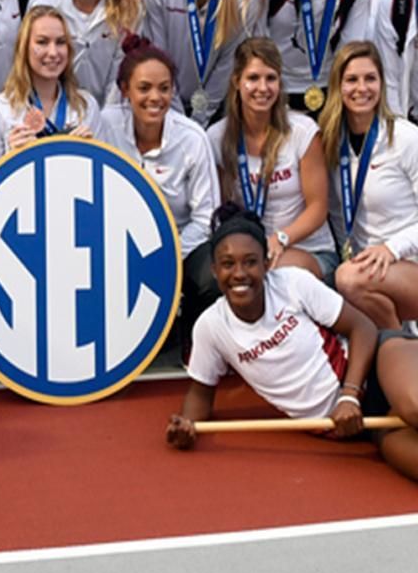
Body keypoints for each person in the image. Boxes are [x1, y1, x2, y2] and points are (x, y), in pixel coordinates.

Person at [167, 206, 418, 483]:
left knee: (414, 406)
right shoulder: (211, 326)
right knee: (403, 454)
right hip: (359, 423)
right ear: (215, 271)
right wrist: (187, 425)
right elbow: (201, 394)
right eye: (228, 264)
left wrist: (349, 395)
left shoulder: (293, 283)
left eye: (250, 262)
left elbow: (363, 327)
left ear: (266, 263)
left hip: (376, 367)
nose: (239, 273)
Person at [97, 37, 222, 341]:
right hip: (114, 246)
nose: (155, 97)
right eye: (144, 88)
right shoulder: (104, 126)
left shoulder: (192, 138)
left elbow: (207, 218)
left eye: (164, 88)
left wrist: (165, 252)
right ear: (125, 90)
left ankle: (193, 344)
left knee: (211, 274)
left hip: (177, 246)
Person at [207, 38, 337, 280]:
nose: (263, 88)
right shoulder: (216, 137)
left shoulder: (302, 131)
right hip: (249, 253)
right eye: (253, 78)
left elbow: (318, 208)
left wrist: (280, 238)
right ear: (237, 81)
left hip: (307, 249)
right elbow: (221, 206)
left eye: (271, 78)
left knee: (272, 275)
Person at [318, 41, 418, 330]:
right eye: (351, 80)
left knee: (347, 279)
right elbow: (337, 215)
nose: (361, 88)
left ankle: (396, 343)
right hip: (364, 268)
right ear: (338, 86)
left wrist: (392, 248)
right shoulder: (330, 142)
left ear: (382, 84)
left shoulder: (405, 138)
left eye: (370, 78)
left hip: (405, 260)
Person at [0, 5, 99, 177]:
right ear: (24, 48)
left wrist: (90, 157)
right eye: (42, 42)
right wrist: (11, 161)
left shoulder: (86, 106)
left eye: (61, 42)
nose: (53, 52)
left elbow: (102, 176)